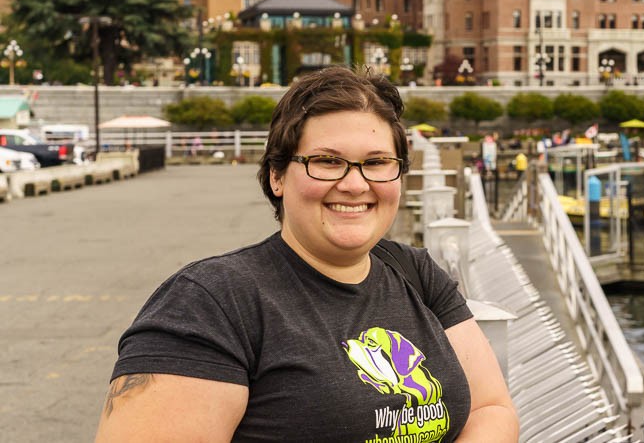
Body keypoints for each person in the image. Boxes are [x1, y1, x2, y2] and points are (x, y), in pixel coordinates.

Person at [95, 66, 518, 442]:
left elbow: (491, 409)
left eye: (377, 162)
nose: (355, 184)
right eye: (327, 161)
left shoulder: (415, 273)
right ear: (277, 175)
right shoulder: (210, 304)